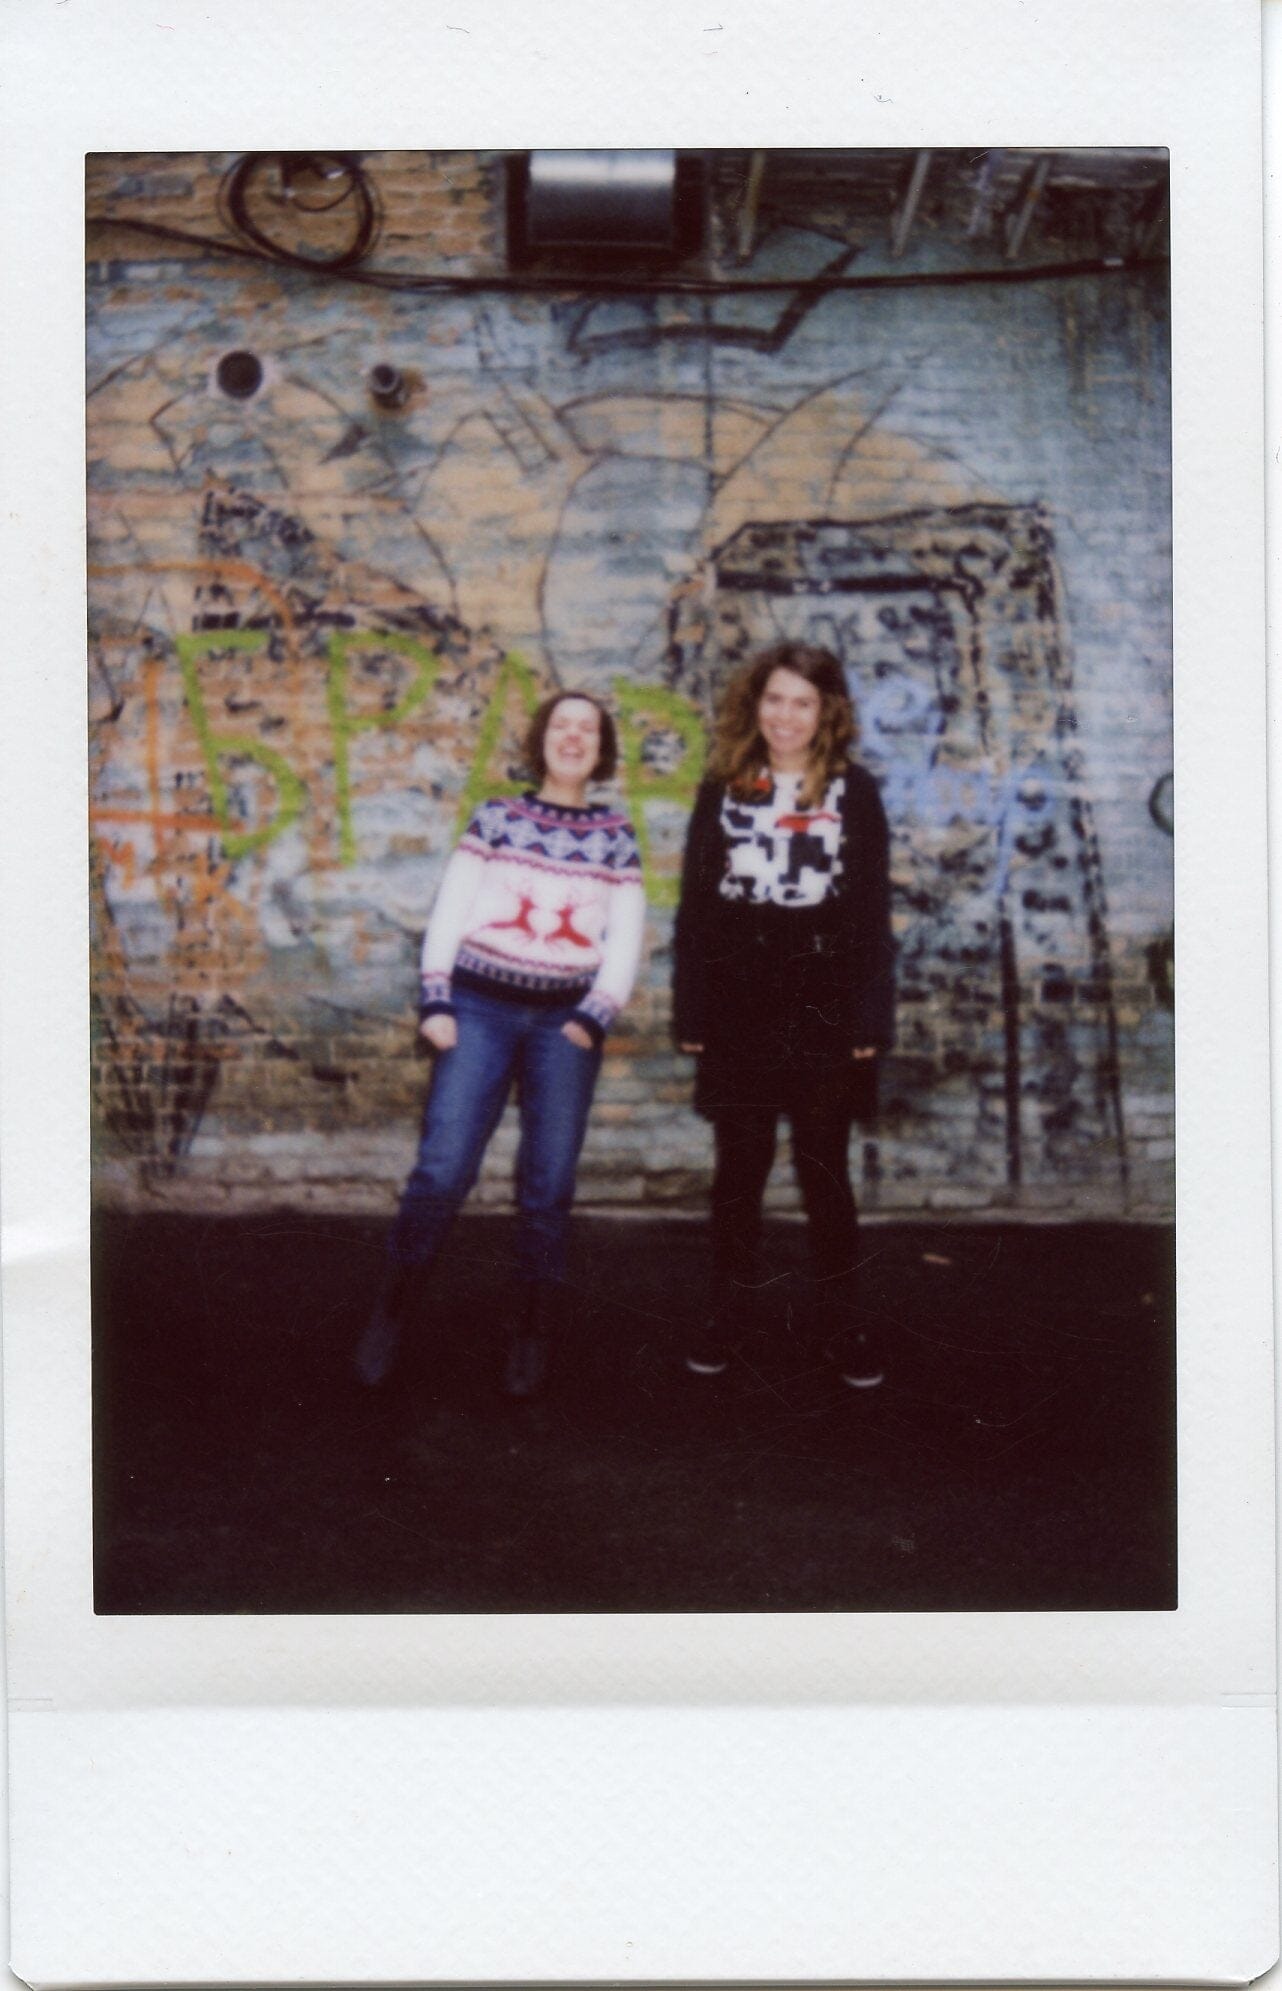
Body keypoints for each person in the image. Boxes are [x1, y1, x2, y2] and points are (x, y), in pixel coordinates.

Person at [357, 690, 646, 1399]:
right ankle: (392, 1310)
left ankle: (530, 1327)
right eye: (561, 725)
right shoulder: (496, 817)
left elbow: (626, 937)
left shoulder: (615, 834)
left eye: (587, 729)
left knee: (548, 1183)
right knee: (442, 1168)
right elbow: (451, 909)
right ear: (541, 739)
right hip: (479, 1010)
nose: (572, 737)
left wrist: (594, 1015)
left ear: (601, 749)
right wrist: (437, 998)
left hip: (564, 1023)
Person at [672, 642, 894, 1387]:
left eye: (803, 702)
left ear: (826, 712)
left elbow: (871, 910)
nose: (787, 716)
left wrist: (869, 1017)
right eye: (775, 699)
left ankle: (842, 1319)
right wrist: (692, 1008)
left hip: (824, 998)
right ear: (755, 705)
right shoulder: (725, 786)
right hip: (740, 999)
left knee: (824, 1168)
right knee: (740, 1166)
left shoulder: (853, 791)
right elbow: (697, 906)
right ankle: (729, 1310)